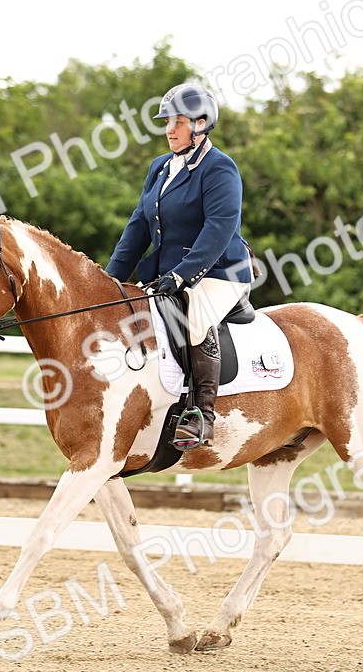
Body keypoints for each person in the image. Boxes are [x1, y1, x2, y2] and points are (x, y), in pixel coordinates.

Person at [106, 83, 253, 449]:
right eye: (167, 122)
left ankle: (202, 415)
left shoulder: (220, 168)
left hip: (219, 272)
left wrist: (182, 275)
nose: (170, 130)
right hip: (168, 274)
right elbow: (138, 227)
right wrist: (108, 280)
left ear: (201, 124)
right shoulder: (160, 167)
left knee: (195, 318)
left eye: (178, 122)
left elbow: (219, 228)